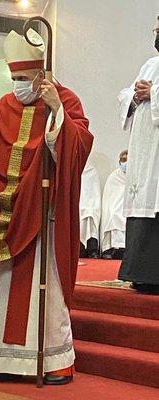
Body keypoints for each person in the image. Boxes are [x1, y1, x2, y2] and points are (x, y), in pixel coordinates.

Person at [0, 29, 93, 385]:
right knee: (5, 289)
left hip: (44, 216)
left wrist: (56, 112)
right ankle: (4, 360)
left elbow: (78, 147)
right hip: (5, 220)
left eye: (24, 78)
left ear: (42, 76)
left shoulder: (66, 101)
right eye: (14, 78)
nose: (18, 85)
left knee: (47, 289)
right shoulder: (0, 109)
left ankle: (53, 360)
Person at [117, 16, 159, 294]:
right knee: (142, 202)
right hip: (145, 151)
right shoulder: (150, 64)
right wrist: (133, 94)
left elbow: (150, 92)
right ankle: (140, 273)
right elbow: (125, 92)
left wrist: (153, 93)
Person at [101, 151, 127, 259]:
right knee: (114, 215)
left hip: (127, 207)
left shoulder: (135, 176)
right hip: (115, 206)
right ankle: (113, 248)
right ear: (119, 161)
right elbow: (110, 196)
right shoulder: (114, 176)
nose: (126, 163)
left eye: (127, 160)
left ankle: (124, 248)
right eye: (123, 160)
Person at [79, 162, 101, 258]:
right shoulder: (70, 168)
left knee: (90, 215)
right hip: (76, 203)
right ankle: (78, 249)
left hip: (89, 203)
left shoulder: (91, 171)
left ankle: (92, 250)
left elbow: (95, 192)